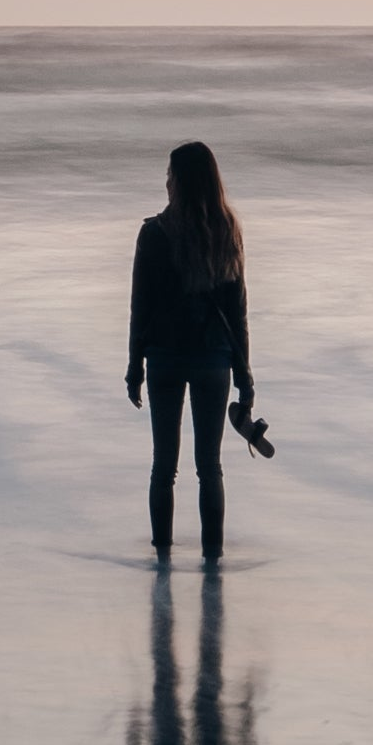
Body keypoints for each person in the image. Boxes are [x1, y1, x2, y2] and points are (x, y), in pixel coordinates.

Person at [126, 141, 257, 561]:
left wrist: (134, 367)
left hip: (163, 358)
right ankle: (212, 561)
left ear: (179, 182)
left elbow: (139, 307)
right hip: (213, 359)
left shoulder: (153, 233)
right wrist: (244, 376)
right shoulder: (227, 231)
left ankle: (162, 561)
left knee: (163, 468)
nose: (165, 181)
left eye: (170, 174)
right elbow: (238, 311)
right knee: (209, 467)